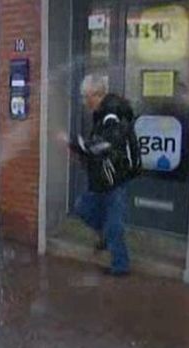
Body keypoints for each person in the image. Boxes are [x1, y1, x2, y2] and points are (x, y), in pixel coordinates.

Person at [70, 74, 141, 276]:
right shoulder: (102, 114)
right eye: (83, 97)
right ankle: (106, 236)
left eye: (87, 96)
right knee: (82, 207)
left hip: (115, 180)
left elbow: (104, 145)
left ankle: (120, 266)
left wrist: (77, 145)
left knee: (114, 225)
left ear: (99, 94)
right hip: (101, 179)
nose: (85, 102)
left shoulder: (112, 115)